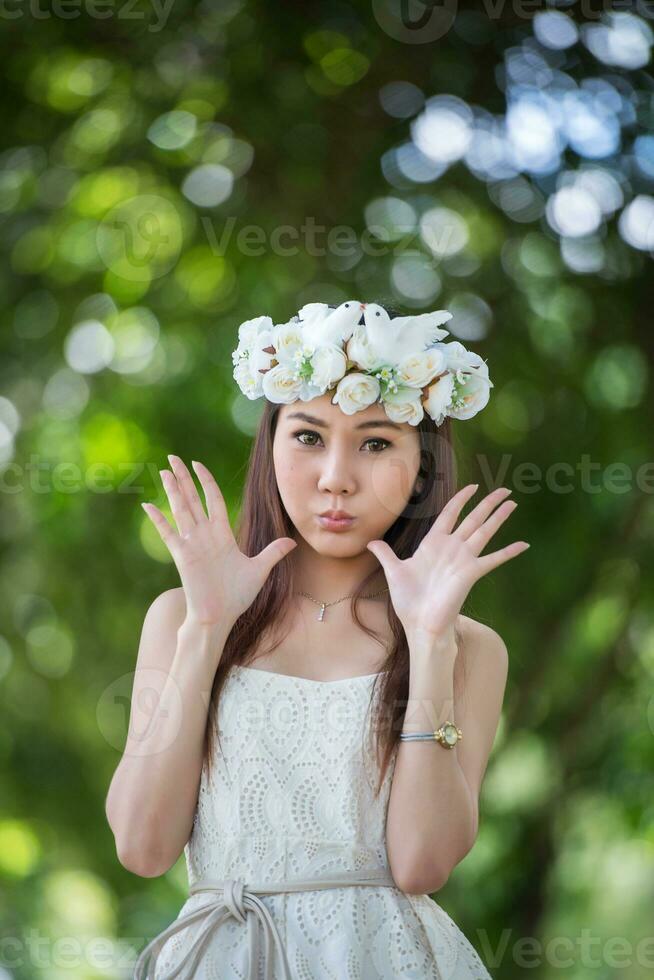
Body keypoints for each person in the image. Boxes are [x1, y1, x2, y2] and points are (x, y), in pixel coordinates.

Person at [106, 300, 528, 979]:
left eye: (376, 442)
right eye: (308, 437)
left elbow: (422, 864)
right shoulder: (181, 618)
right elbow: (142, 846)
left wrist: (430, 644)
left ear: (421, 465)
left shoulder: (469, 647)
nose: (336, 476)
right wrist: (206, 630)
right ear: (270, 447)